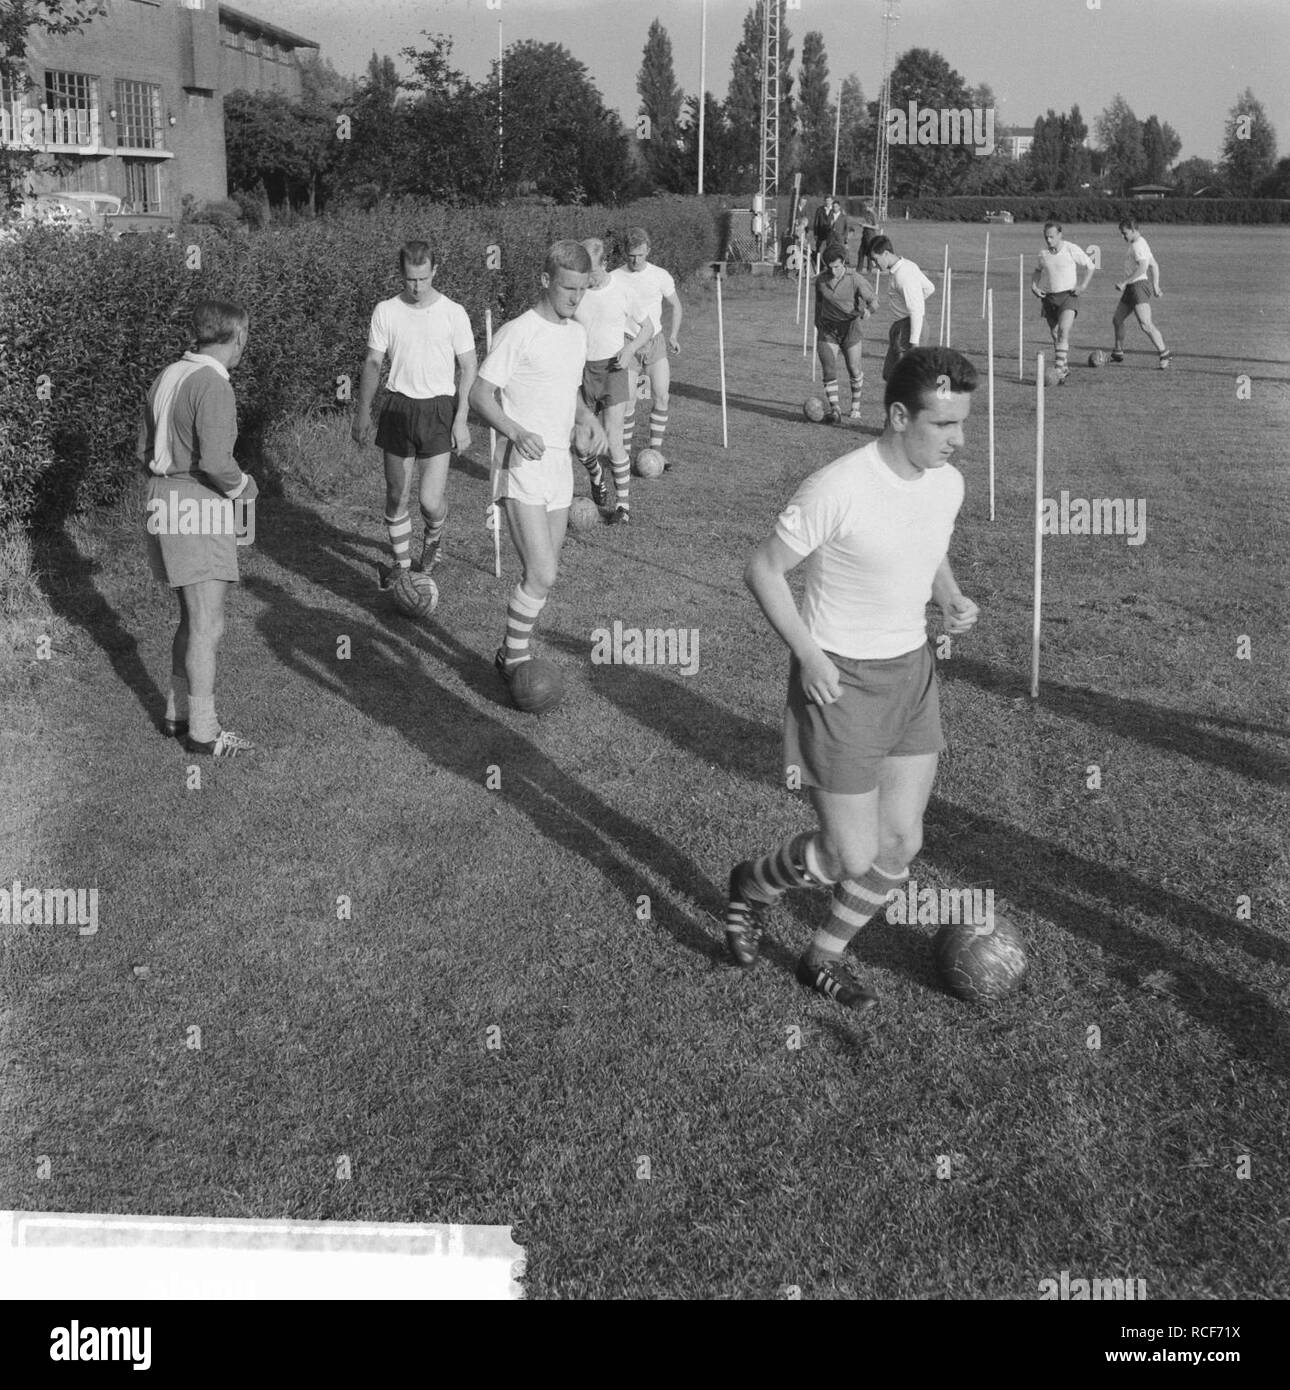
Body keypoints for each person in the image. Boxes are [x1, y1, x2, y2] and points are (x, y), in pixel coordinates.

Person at [725, 346, 981, 1010]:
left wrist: (948, 597)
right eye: (945, 425)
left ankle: (825, 953)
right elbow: (764, 570)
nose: (959, 440)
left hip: (912, 676)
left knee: (901, 841)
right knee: (849, 854)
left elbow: (927, 543)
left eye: (963, 424)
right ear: (899, 416)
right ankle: (753, 884)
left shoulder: (946, 482)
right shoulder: (837, 486)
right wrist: (809, 656)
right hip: (839, 683)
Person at [469, 240, 607, 685]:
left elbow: (569, 392)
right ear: (546, 281)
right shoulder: (518, 331)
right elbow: (479, 394)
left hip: (558, 467)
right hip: (521, 462)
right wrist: (516, 431)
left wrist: (588, 422)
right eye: (568, 288)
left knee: (542, 576)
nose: (575, 298)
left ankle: (509, 654)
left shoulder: (577, 333)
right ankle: (514, 661)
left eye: (582, 290)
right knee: (542, 572)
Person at [139, 299, 258, 758]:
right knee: (208, 622)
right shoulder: (214, 383)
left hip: (159, 498)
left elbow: (142, 447)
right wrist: (245, 487)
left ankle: (176, 713)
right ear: (238, 336)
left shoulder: (167, 375)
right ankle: (204, 732)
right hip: (196, 501)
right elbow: (215, 461)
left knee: (190, 616)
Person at [352, 239, 477, 588]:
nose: (417, 287)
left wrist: (462, 417)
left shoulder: (454, 312)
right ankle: (402, 565)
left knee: (429, 500)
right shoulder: (386, 311)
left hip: (438, 409)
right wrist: (363, 412)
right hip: (397, 408)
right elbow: (374, 361)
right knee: (396, 495)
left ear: (434, 271)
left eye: (423, 279)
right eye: (410, 280)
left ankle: (434, 538)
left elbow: (468, 366)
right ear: (401, 274)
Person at [573, 237, 656, 523]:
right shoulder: (577, 291)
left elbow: (648, 327)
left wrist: (630, 348)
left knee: (613, 439)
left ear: (605, 264)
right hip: (582, 373)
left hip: (613, 370)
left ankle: (623, 507)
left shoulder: (623, 291)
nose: (589, 279)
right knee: (581, 444)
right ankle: (596, 474)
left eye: (592, 272)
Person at [610, 227, 683, 470]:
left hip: (656, 343)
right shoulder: (615, 278)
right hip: (627, 343)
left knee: (661, 395)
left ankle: (656, 454)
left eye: (640, 255)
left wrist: (673, 335)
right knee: (629, 404)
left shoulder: (660, 275)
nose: (635, 260)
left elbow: (676, 305)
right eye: (631, 255)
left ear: (648, 251)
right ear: (625, 253)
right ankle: (625, 456)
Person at [813, 240, 879, 424]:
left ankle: (855, 406)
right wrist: (817, 323)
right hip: (827, 329)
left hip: (850, 328)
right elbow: (818, 304)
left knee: (854, 368)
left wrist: (868, 311)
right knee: (828, 369)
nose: (833, 271)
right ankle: (835, 410)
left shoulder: (855, 278)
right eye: (830, 267)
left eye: (837, 266)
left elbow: (874, 301)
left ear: (843, 262)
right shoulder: (821, 280)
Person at [869, 235, 937, 381]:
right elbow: (929, 288)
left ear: (886, 254)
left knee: (904, 380)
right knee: (889, 374)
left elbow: (916, 310)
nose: (874, 265)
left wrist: (914, 343)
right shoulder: (908, 265)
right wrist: (913, 300)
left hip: (909, 327)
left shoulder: (903, 275)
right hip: (901, 326)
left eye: (875, 260)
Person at [1111, 216, 1171, 368]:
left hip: (1137, 287)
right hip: (1133, 287)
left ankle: (1164, 354)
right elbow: (1154, 265)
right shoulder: (1140, 242)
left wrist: (1124, 282)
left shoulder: (1138, 245)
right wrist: (1156, 286)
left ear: (1133, 230)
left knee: (1146, 324)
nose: (1122, 236)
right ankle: (1118, 353)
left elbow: (1143, 267)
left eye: (1124, 233)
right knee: (1117, 319)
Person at [812, 194, 841, 264]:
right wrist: (815, 234)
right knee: (819, 249)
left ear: (832, 201)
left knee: (830, 250)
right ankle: (818, 265)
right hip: (821, 233)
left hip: (831, 235)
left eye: (829, 201)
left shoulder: (835, 209)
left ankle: (828, 264)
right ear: (824, 201)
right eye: (826, 201)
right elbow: (816, 222)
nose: (828, 202)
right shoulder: (819, 209)